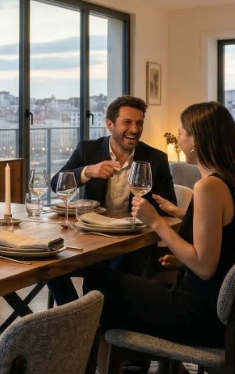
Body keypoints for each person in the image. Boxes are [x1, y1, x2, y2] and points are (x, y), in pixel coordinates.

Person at [93, 101, 235, 374]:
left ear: (197, 140)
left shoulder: (209, 186)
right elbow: (223, 248)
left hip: (206, 318)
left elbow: (204, 266)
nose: (179, 138)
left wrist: (156, 222)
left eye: (183, 132)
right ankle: (152, 373)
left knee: (99, 293)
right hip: (231, 317)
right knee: (138, 279)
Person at [46, 96, 177, 306]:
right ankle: (75, 319)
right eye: (127, 122)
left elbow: (168, 208)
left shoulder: (156, 159)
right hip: (90, 240)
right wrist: (88, 171)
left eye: (139, 123)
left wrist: (145, 211)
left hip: (132, 245)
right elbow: (56, 184)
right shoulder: (88, 150)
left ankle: (97, 320)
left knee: (114, 269)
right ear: (110, 124)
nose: (134, 129)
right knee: (50, 264)